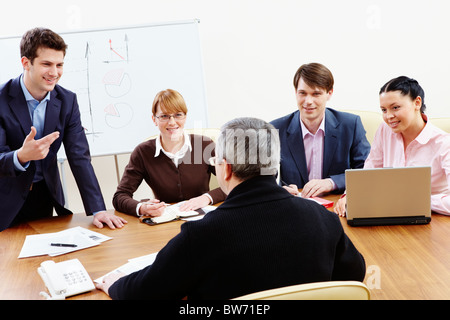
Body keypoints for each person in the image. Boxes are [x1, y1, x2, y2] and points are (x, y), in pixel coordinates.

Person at [97, 117, 366, 300]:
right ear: (274, 164)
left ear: (224, 167)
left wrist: (116, 285)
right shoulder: (322, 218)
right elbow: (353, 276)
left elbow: (145, 293)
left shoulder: (200, 235)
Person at [0, 27, 126, 231]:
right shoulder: (2, 99)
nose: (54, 72)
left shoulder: (67, 101)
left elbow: (79, 157)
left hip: (44, 197)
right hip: (4, 200)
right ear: (26, 63)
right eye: (46, 64)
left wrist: (98, 210)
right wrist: (21, 156)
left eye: (59, 65)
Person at [335, 76, 450, 216]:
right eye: (384, 110)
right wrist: (350, 195)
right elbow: (369, 173)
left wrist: (419, 201)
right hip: (390, 215)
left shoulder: (444, 144)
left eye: (395, 108)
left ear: (417, 103)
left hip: (433, 220)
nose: (389, 116)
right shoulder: (385, 130)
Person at [112, 89, 226, 217]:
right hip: (166, 221)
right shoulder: (143, 152)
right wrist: (143, 208)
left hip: (203, 219)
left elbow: (236, 183)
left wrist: (207, 198)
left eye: (178, 115)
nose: (172, 122)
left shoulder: (204, 145)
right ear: (154, 119)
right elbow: (120, 197)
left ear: (185, 117)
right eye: (164, 116)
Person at [271, 63, 370, 198]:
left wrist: (332, 182)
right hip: (295, 207)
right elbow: (263, 180)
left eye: (316, 94)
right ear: (295, 92)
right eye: (302, 93)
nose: (308, 101)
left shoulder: (351, 125)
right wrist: (280, 190)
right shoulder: (275, 129)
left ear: (329, 93)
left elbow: (367, 172)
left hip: (335, 205)